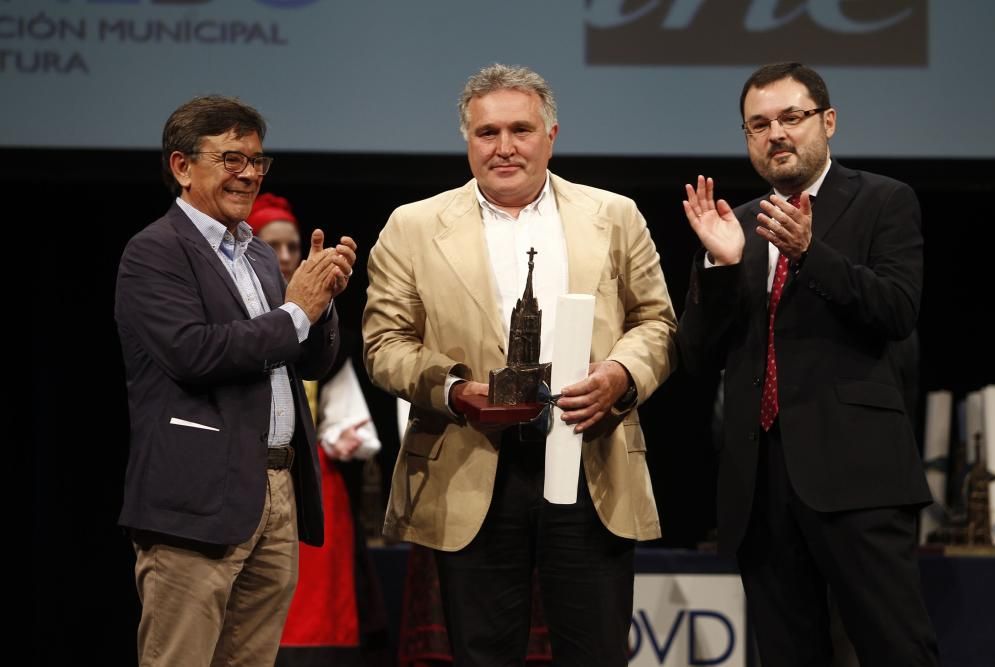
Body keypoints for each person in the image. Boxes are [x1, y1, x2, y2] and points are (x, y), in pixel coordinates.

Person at [363, 63, 677, 666]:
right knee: (483, 654)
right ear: (467, 139)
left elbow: (657, 324)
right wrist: (456, 392)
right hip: (470, 465)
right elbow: (384, 343)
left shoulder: (614, 215)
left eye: (521, 130)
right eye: (487, 133)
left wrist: (619, 376)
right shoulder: (414, 226)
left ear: (551, 136)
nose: (504, 147)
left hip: (590, 459)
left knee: (598, 652)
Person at [678, 62, 938, 666]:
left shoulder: (882, 201)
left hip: (858, 478)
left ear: (828, 122)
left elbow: (896, 311)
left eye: (791, 118)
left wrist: (809, 253)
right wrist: (717, 270)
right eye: (759, 124)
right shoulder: (734, 225)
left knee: (896, 649)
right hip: (760, 484)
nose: (777, 134)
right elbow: (695, 355)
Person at [115, 95, 357, 667]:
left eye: (256, 160)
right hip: (195, 500)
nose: (248, 173)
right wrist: (296, 311)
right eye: (231, 159)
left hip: (274, 489)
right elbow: (193, 353)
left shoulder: (256, 257)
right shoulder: (155, 251)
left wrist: (320, 308)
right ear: (181, 166)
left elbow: (307, 363)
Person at [247, 193, 388, 666]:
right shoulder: (237, 314)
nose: (286, 257)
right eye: (273, 246)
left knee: (317, 612)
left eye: (291, 246)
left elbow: (349, 416)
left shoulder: (329, 333)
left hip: (312, 479)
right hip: (245, 477)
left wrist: (344, 435)